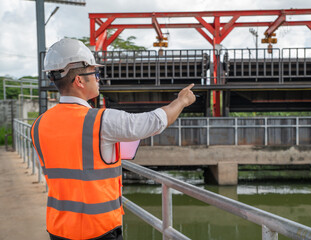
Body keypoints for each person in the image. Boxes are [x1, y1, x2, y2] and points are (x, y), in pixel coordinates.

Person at [31, 38, 196, 240]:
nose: (99, 78)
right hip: (98, 230)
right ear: (79, 81)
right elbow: (155, 122)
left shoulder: (38, 125)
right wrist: (182, 101)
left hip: (59, 228)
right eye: (95, 73)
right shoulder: (101, 121)